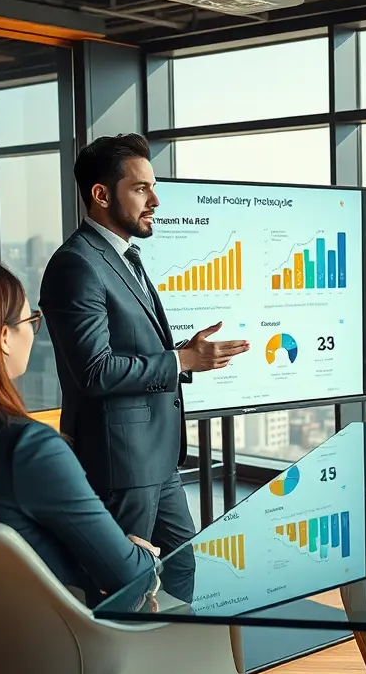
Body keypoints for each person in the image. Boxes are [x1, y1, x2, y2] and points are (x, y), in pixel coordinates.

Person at [0, 258, 258, 674]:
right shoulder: (27, 449)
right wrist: (139, 551)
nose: (35, 333)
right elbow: (126, 576)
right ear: (2, 338)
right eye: (30, 320)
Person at [39, 133, 249, 607]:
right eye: (141, 189)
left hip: (156, 458)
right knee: (124, 587)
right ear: (101, 194)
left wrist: (182, 353)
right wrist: (179, 361)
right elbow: (94, 371)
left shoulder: (122, 257)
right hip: (120, 461)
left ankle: (175, 669)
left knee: (182, 564)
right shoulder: (77, 265)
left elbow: (130, 349)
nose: (155, 200)